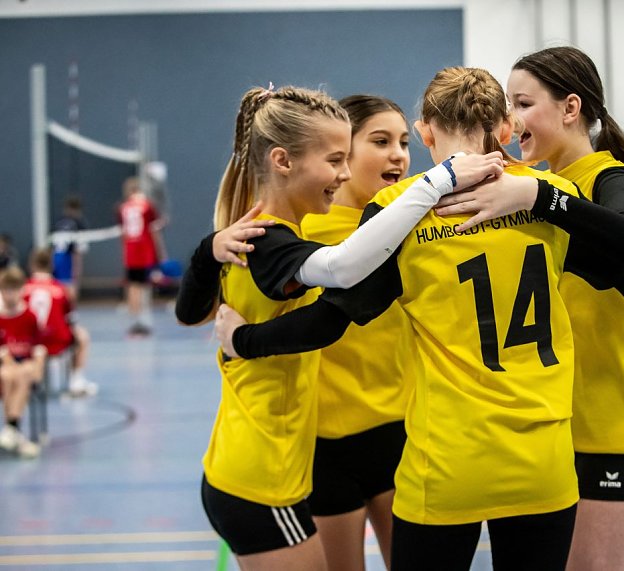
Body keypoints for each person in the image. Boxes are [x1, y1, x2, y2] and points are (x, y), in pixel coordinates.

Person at [215, 67, 624, 571]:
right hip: (544, 459)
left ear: (426, 133)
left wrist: (243, 340)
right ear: (506, 130)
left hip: (447, 462)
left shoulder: (397, 211)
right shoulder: (548, 197)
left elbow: (330, 320)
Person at [174, 83, 503, 570]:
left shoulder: (258, 232)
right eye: (337, 159)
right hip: (266, 473)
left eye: (403, 142)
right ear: (284, 161)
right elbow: (338, 282)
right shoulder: (274, 240)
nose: (345, 171)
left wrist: (208, 251)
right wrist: (438, 182)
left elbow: (189, 309)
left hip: (304, 457)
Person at [432, 47, 624, 571]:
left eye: (522, 102)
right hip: (549, 425)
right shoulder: (524, 183)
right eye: (508, 104)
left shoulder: (604, 177)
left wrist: (539, 201)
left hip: (612, 421)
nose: (511, 118)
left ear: (570, 108)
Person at [298, 94, 412, 571]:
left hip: (402, 433)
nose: (399, 155)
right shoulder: (303, 233)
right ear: (344, 152)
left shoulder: (414, 226)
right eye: (381, 141)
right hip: (327, 443)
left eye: (405, 143)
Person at [24, 248, 97, 397]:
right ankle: (76, 380)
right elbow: (71, 318)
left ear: (32, 265)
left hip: (28, 342)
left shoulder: (23, 289)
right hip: (56, 341)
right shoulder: (61, 289)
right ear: (51, 265)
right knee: (82, 336)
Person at [0, 266, 46, 458]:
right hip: (5, 366)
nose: (10, 295)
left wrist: (38, 366)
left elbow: (38, 347)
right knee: (8, 375)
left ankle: (11, 430)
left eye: (15, 290)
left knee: (25, 373)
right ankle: (14, 430)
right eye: (6, 290)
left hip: (24, 365)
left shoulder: (29, 316)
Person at [118, 176, 164, 337]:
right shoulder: (147, 206)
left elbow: (123, 233)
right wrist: (160, 254)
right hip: (145, 252)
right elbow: (154, 231)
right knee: (145, 286)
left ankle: (134, 320)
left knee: (132, 286)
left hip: (130, 253)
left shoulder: (123, 207)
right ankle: (143, 319)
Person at [51, 195, 88, 303]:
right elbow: (78, 250)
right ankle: (71, 313)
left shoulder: (58, 221)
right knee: (71, 285)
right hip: (68, 257)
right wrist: (77, 269)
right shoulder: (79, 223)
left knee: (57, 286)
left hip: (56, 256)